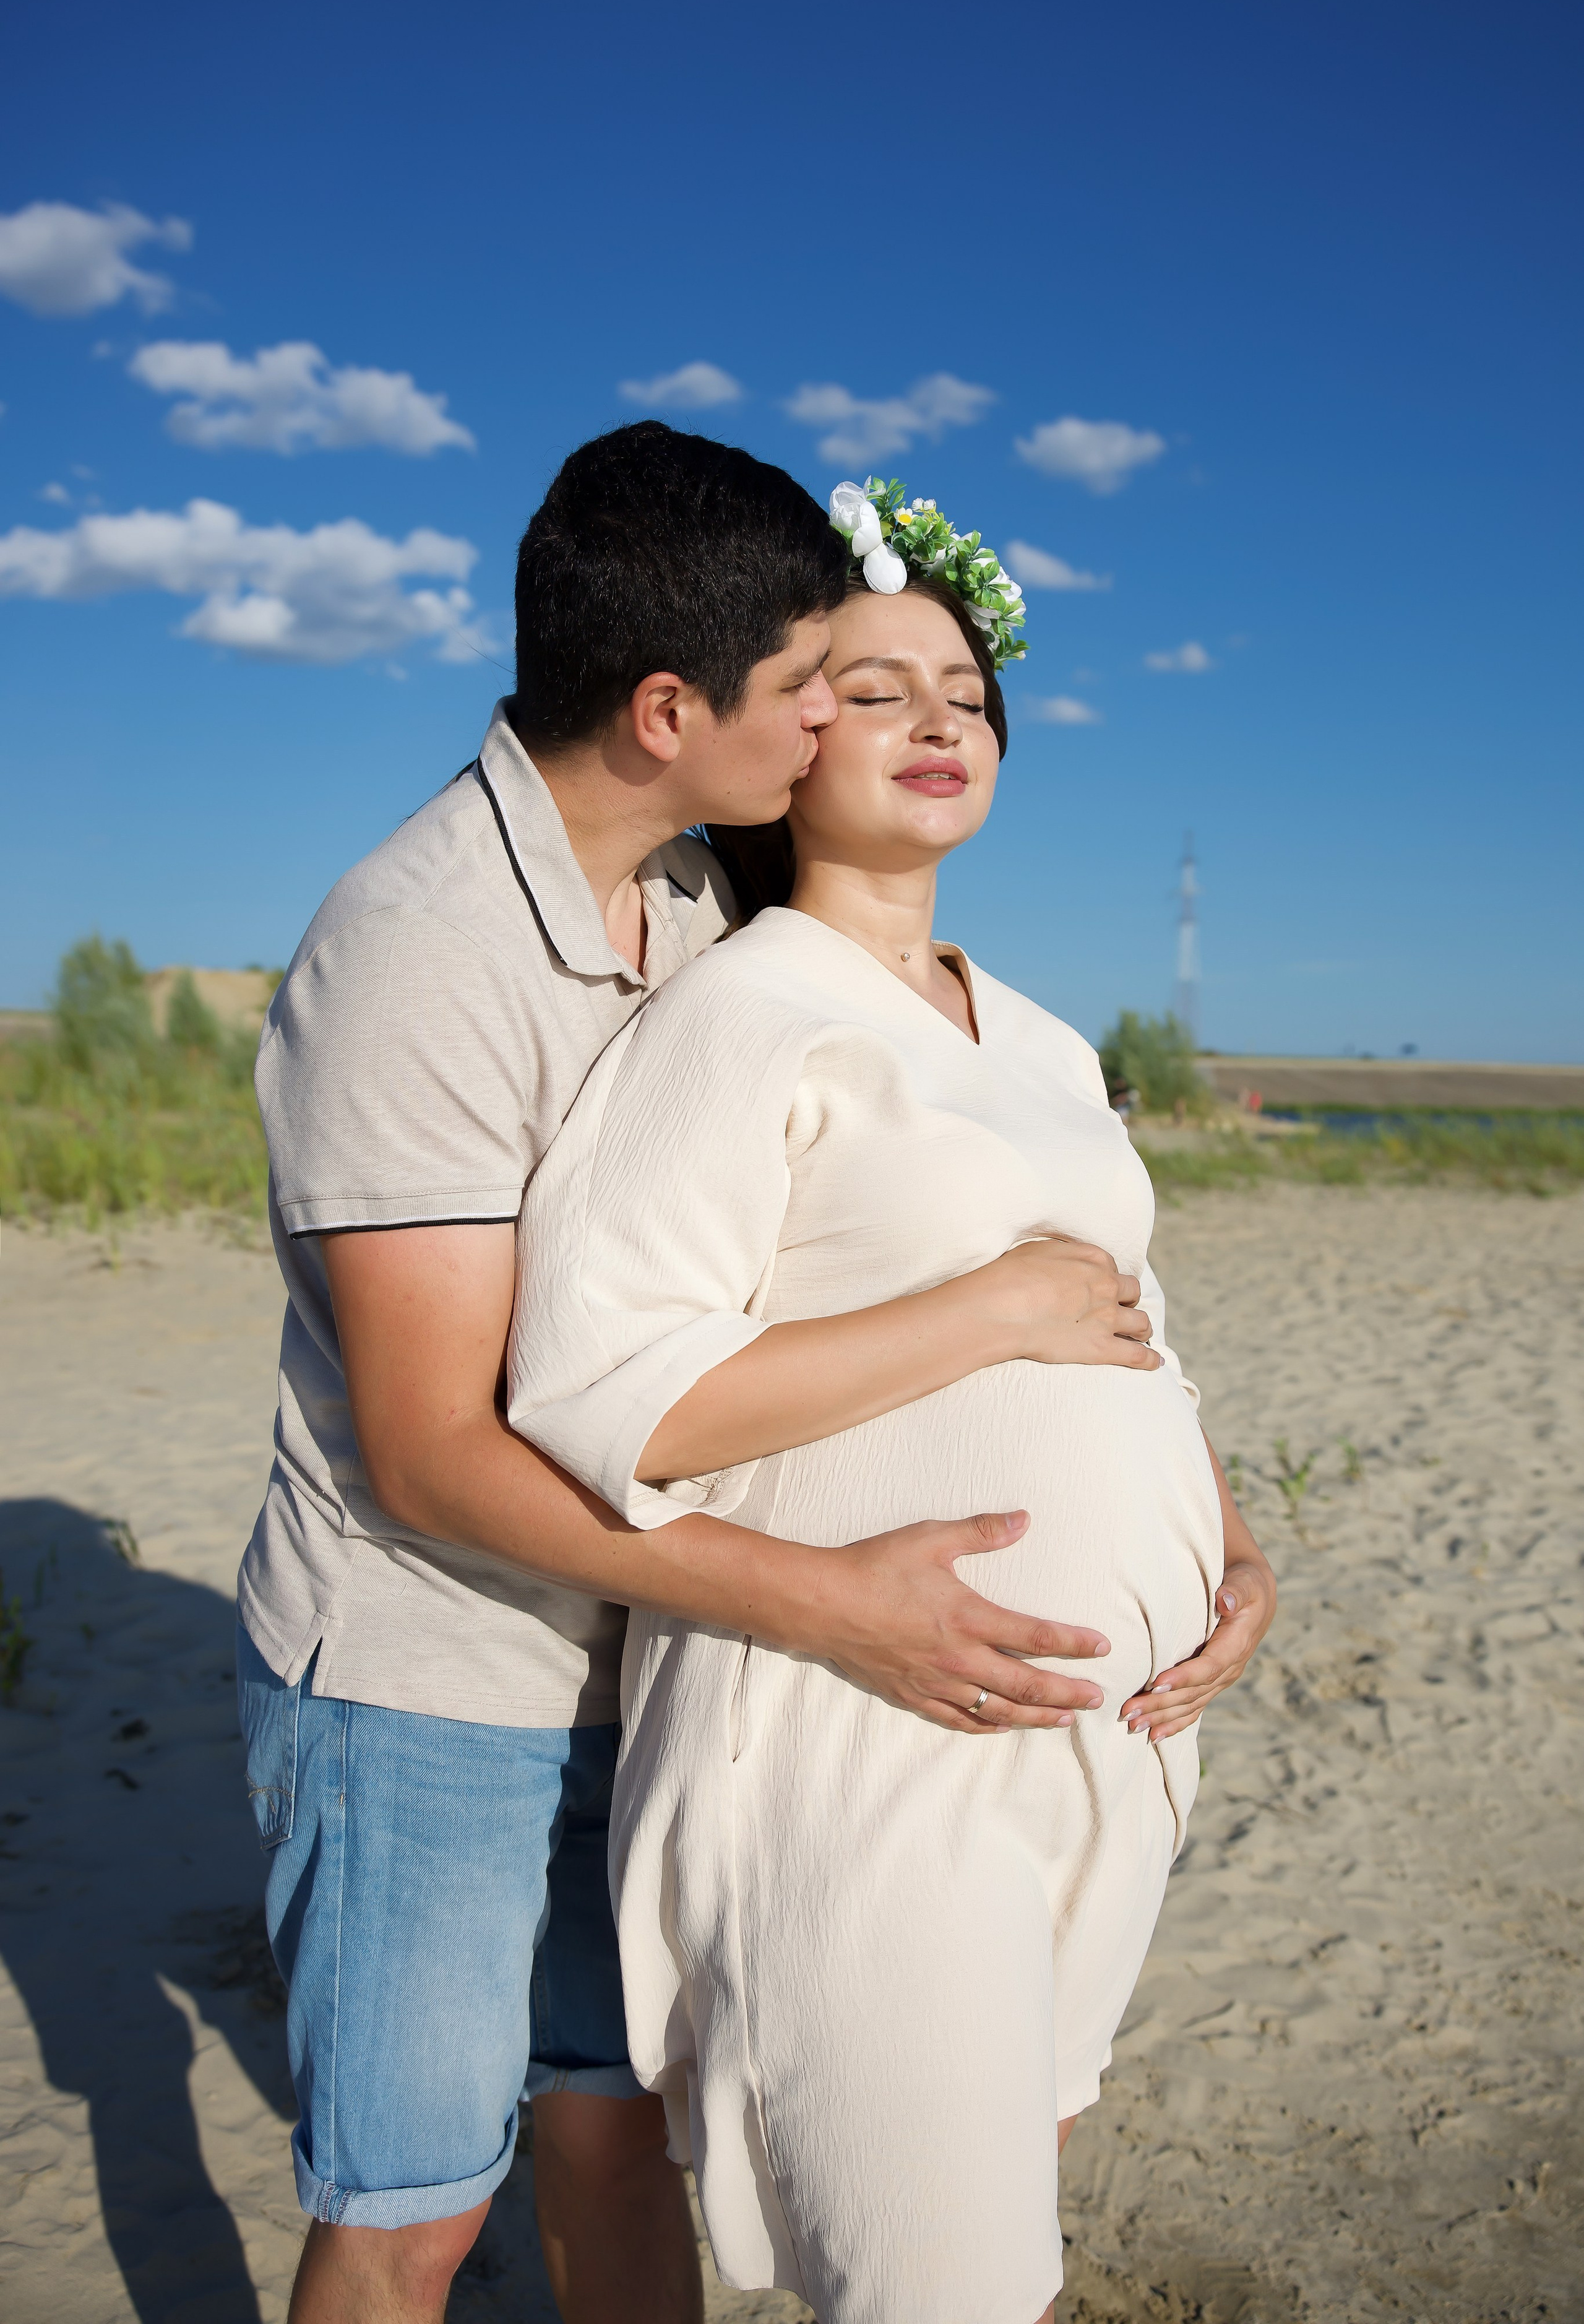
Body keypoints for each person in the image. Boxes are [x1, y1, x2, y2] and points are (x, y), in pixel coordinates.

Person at [236, 428, 1212, 2324]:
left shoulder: (700, 906)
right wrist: (834, 1600)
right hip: (443, 1667)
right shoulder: (421, 956)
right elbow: (439, 1456)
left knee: (620, 2142)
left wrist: (1203, 1535)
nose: (838, 726)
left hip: (655, 1653)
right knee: (416, 2206)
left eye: (946, 689)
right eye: (812, 688)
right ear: (675, 709)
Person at [509, 479, 1278, 2324]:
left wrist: (1234, 1554)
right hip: (868, 1737)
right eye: (876, 685)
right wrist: (982, 1307)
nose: (943, 718)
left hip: (1106, 1743)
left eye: (965, 687)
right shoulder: (738, 1014)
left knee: (1004, 2225)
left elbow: (1128, 1322)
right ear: (780, 735)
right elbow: (610, 1389)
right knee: (942, 2288)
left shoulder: (1038, 1033)